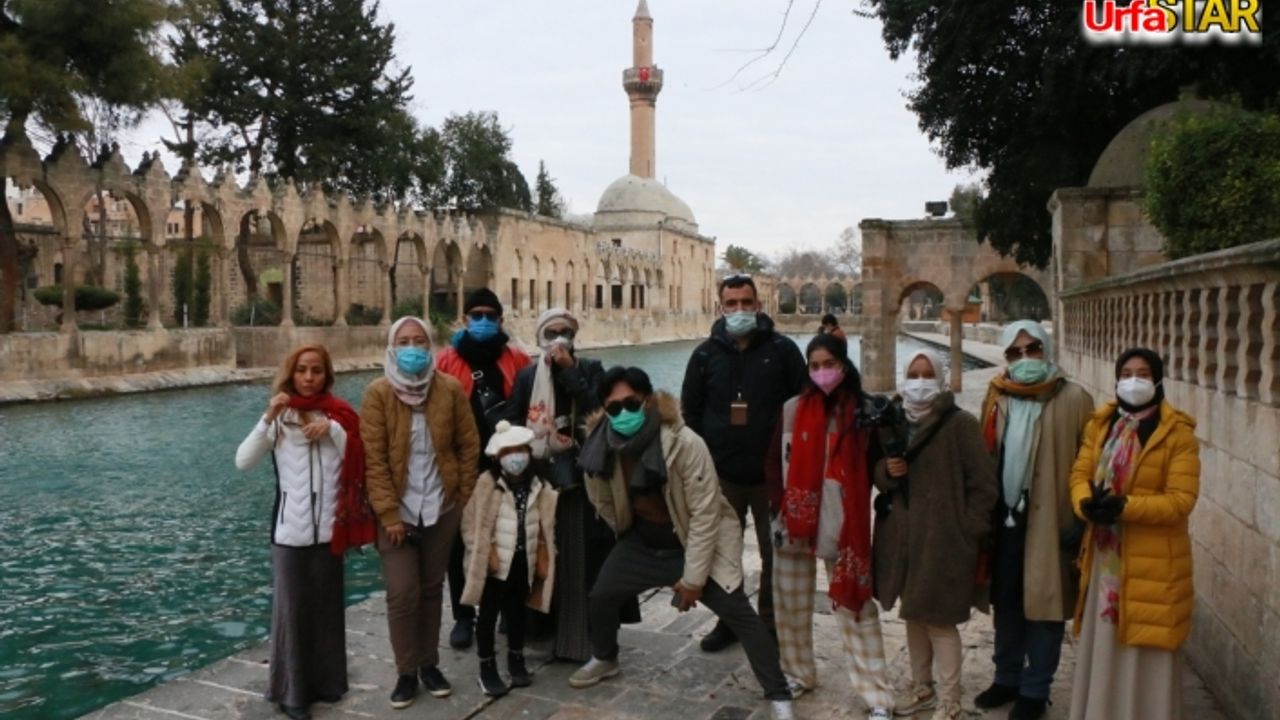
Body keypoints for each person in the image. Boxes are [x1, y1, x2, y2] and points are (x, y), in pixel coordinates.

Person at [571, 367, 796, 720]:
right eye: (613, 408)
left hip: (692, 541)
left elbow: (706, 515)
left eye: (631, 403)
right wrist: (626, 533)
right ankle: (605, 656)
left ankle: (778, 692)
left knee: (741, 616)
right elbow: (602, 500)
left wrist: (693, 580)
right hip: (642, 542)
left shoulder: (684, 442)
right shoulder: (600, 447)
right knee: (601, 596)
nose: (623, 413)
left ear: (647, 401)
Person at [235, 344, 375, 720]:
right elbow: (243, 461)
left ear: (326, 375)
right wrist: (268, 416)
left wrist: (332, 430)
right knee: (292, 615)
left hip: (330, 531)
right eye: (301, 370)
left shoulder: (340, 416)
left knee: (328, 611)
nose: (309, 377)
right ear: (291, 374)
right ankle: (292, 694)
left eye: (316, 370)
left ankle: (329, 683)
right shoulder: (280, 419)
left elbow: (359, 459)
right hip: (289, 534)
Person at [765, 334, 894, 719]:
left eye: (829, 364)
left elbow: (876, 466)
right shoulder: (792, 409)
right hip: (794, 520)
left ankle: (876, 695)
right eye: (815, 366)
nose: (822, 372)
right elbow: (772, 460)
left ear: (843, 365)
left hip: (842, 523)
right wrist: (781, 505)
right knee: (789, 604)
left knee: (856, 608)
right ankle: (797, 673)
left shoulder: (862, 412)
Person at [1067, 348, 1199, 720]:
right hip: (1106, 559)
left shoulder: (1177, 433)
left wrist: (1125, 507)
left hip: (1152, 562)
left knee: (1148, 645)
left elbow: (1181, 500)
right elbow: (1079, 474)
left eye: (1143, 373)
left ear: (1158, 379)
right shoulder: (1101, 424)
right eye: (1126, 373)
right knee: (1106, 642)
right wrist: (1085, 503)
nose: (1134, 381)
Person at [975, 320, 1094, 720]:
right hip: (1005, 519)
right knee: (1006, 600)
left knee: (1045, 606)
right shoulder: (998, 395)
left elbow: (1090, 462)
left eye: (1033, 349)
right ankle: (1006, 678)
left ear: (1046, 348)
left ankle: (1035, 689)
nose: (1025, 358)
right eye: (1015, 352)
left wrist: (1079, 517)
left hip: (1051, 521)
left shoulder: (1075, 398)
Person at [682, 273, 807, 651]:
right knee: (724, 554)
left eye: (746, 303)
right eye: (731, 303)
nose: (739, 309)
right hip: (723, 476)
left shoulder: (782, 351)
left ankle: (769, 624)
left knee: (774, 554)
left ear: (758, 305)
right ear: (720, 307)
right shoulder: (705, 355)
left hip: (772, 475)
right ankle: (730, 621)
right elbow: (692, 412)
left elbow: (802, 405)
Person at [508, 308, 640, 662]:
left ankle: (583, 638)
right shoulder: (527, 377)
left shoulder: (592, 370)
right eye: (551, 333)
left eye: (565, 331)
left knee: (584, 559)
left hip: (585, 481)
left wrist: (570, 374)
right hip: (542, 480)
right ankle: (543, 631)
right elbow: (514, 421)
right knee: (545, 557)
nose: (558, 339)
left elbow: (599, 414)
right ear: (540, 336)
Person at [361, 316, 480, 709]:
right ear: (392, 348)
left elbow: (468, 444)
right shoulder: (378, 393)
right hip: (396, 511)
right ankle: (406, 672)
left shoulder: (449, 389)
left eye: (419, 341)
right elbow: (374, 459)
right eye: (404, 342)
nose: (412, 348)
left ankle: (429, 664)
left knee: (431, 589)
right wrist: (389, 514)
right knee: (402, 594)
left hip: (441, 507)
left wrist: (461, 495)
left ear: (430, 346)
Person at [872, 350, 997, 720]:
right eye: (913, 374)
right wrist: (887, 471)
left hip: (944, 539)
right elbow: (877, 473)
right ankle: (922, 686)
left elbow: (984, 486)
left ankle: (950, 698)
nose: (920, 381)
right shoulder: (892, 420)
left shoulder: (960, 425)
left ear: (940, 379)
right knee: (913, 613)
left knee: (940, 620)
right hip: (904, 536)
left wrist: (966, 530)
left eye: (928, 374)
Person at [435, 288, 532, 649]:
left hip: (508, 462)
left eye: (490, 316)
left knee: (509, 536)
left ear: (501, 320)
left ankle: (507, 607)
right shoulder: (445, 361)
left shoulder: (517, 359)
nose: (483, 321)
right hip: (462, 463)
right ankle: (464, 615)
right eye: (476, 315)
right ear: (464, 319)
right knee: (459, 542)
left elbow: (531, 406)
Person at [460, 420, 559, 697]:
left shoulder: (539, 485)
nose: (515, 457)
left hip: (523, 560)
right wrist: (483, 552)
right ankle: (486, 667)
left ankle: (516, 658)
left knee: (517, 612)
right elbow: (470, 524)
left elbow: (546, 526)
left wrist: (544, 553)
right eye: (508, 452)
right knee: (488, 615)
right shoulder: (487, 484)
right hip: (493, 564)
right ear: (497, 457)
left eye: (520, 450)